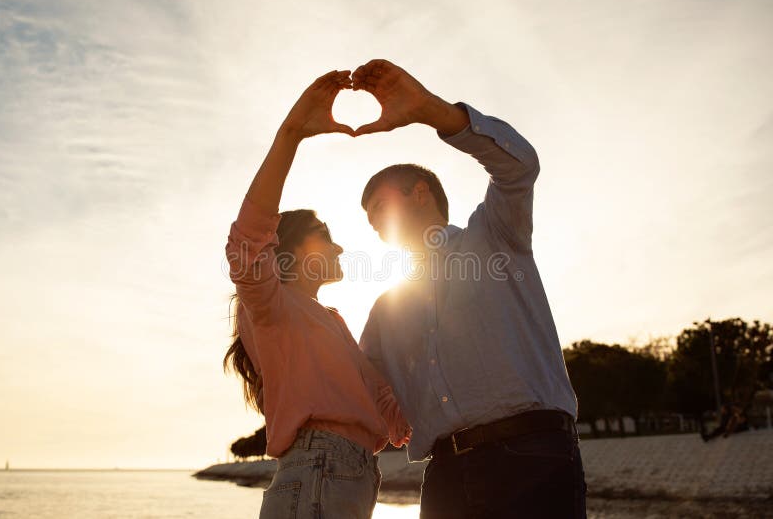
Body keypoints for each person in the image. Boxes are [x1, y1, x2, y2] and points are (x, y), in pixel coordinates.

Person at [353, 59, 587, 518]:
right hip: (443, 476)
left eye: (382, 205)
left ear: (421, 193)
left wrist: (429, 110)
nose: (377, 223)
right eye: (369, 218)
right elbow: (353, 377)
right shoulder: (386, 309)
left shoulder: (494, 235)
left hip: (534, 457)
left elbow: (520, 166)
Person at [223, 69, 410, 519]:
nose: (340, 245)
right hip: (319, 473)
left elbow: (391, 414)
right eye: (324, 235)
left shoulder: (330, 322)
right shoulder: (272, 308)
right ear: (286, 253)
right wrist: (292, 135)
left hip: (345, 476)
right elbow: (247, 243)